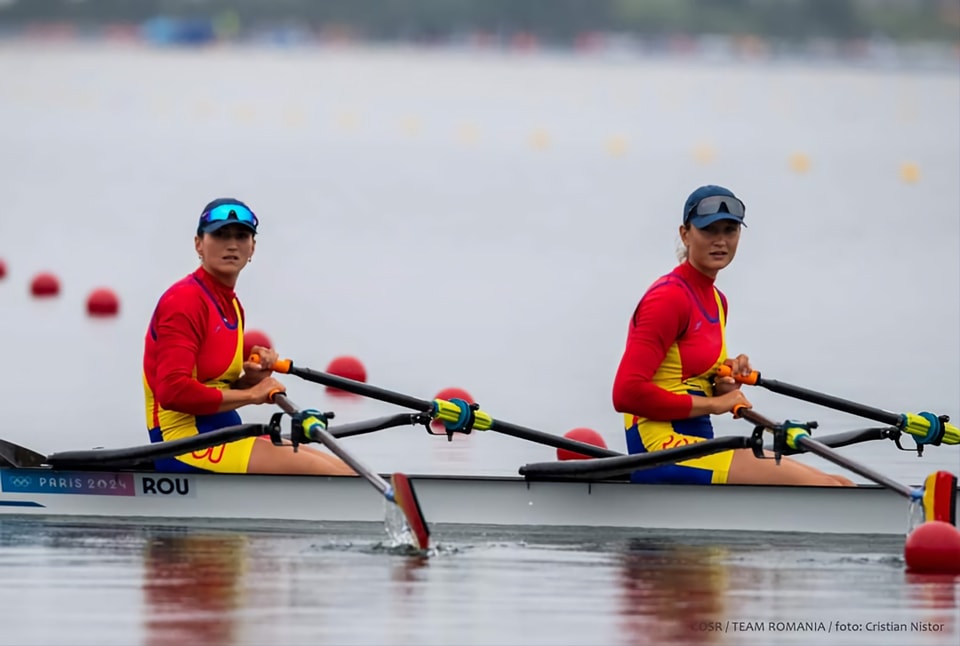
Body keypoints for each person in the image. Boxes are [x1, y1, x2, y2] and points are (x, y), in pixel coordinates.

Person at [612, 185, 853, 486]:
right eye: (709, 230)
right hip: (660, 451)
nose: (721, 241)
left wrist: (722, 381)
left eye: (730, 230)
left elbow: (686, 376)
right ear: (685, 234)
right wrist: (715, 405)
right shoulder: (668, 299)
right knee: (826, 488)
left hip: (697, 447)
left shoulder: (717, 300)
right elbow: (626, 393)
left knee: (841, 482)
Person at [142, 197, 353, 475]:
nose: (231, 245)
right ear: (198, 244)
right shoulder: (183, 301)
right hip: (183, 445)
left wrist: (251, 380)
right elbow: (174, 392)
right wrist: (254, 394)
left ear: (252, 247)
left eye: (241, 236)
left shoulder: (232, 306)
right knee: (336, 476)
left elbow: (214, 390)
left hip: (224, 434)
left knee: (344, 469)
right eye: (220, 235)